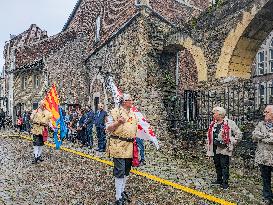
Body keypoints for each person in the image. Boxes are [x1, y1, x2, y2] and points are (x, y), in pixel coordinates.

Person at [106, 94, 138, 205]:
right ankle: (118, 197)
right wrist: (118, 122)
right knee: (119, 171)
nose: (132, 101)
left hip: (130, 146)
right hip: (118, 145)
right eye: (130, 100)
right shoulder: (114, 112)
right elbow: (108, 128)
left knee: (126, 171)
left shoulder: (133, 114)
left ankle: (122, 190)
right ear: (124, 102)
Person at [206, 106, 242, 189]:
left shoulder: (229, 123)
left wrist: (232, 141)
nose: (213, 115)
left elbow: (238, 134)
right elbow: (210, 135)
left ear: (220, 114)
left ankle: (225, 183)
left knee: (224, 165)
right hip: (214, 147)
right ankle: (219, 180)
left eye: (214, 113)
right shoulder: (213, 123)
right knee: (217, 164)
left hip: (224, 148)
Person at [253, 105, 273, 205]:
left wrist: (263, 137)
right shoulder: (261, 124)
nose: (264, 114)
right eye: (264, 111)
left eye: (267, 112)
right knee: (266, 179)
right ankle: (267, 197)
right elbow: (254, 135)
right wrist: (267, 136)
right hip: (263, 157)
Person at [30, 100, 52, 164]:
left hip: (43, 130)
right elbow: (31, 119)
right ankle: (35, 157)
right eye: (42, 105)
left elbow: (50, 121)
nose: (43, 106)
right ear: (40, 105)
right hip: (36, 130)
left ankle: (39, 156)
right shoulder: (35, 111)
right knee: (36, 144)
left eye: (44, 105)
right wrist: (35, 120)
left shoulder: (47, 112)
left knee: (41, 144)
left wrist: (52, 127)